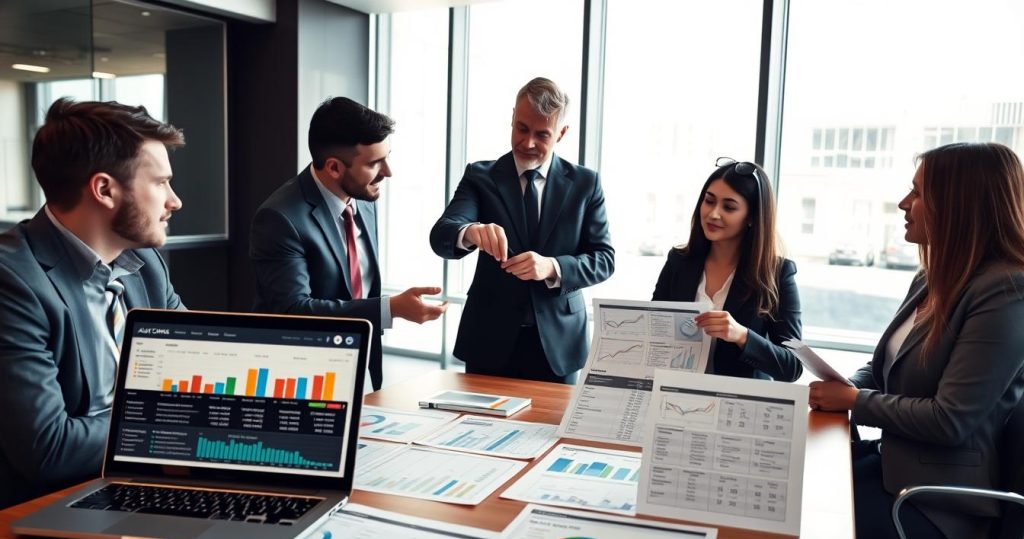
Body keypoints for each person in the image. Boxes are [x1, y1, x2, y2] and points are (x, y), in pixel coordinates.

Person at [808, 142, 1024, 539]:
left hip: (941, 507)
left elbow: (950, 420)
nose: (904, 203)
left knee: (801, 518)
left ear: (959, 204)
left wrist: (855, 401)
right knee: (787, 483)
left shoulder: (1006, 291)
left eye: (918, 193)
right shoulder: (933, 276)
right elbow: (883, 368)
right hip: (897, 468)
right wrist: (844, 386)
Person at [0, 99, 186, 508]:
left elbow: (198, 362)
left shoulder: (145, 264)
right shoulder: (13, 282)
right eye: (160, 183)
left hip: (143, 478)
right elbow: (48, 447)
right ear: (104, 189)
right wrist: (168, 425)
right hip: (50, 506)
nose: (174, 201)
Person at [251, 97, 446, 391]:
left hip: (360, 370)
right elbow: (293, 310)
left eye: (387, 156)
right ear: (333, 168)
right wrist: (390, 309)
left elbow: (355, 285)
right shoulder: (279, 218)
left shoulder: (363, 201)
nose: (388, 171)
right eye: (374, 163)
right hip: (301, 377)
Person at [430, 77, 614, 384]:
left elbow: (604, 258)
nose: (528, 143)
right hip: (489, 340)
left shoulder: (585, 183)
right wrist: (472, 232)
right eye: (521, 128)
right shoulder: (480, 176)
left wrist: (552, 266)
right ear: (513, 118)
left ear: (562, 133)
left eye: (542, 134)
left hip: (559, 345)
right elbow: (442, 234)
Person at [651, 158, 802, 381]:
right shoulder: (678, 261)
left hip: (738, 405)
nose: (713, 214)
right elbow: (654, 328)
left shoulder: (777, 273)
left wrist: (742, 335)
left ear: (752, 217)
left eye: (729, 207)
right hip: (677, 395)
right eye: (709, 201)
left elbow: (792, 367)